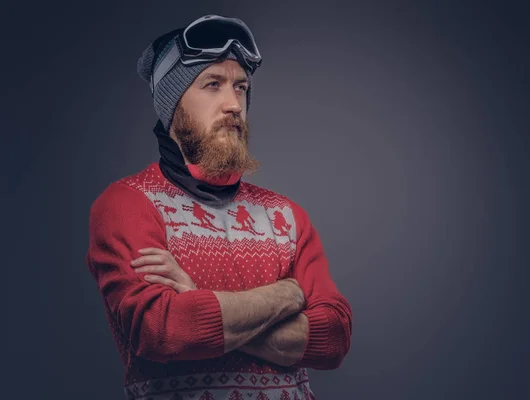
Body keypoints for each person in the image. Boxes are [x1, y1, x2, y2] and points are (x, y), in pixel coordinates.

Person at [86, 14, 352, 400]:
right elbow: (164, 331)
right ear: (173, 105)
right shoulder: (129, 204)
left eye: (241, 87)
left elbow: (333, 338)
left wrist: (197, 296)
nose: (233, 104)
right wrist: (288, 295)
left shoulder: (287, 216)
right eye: (212, 84)